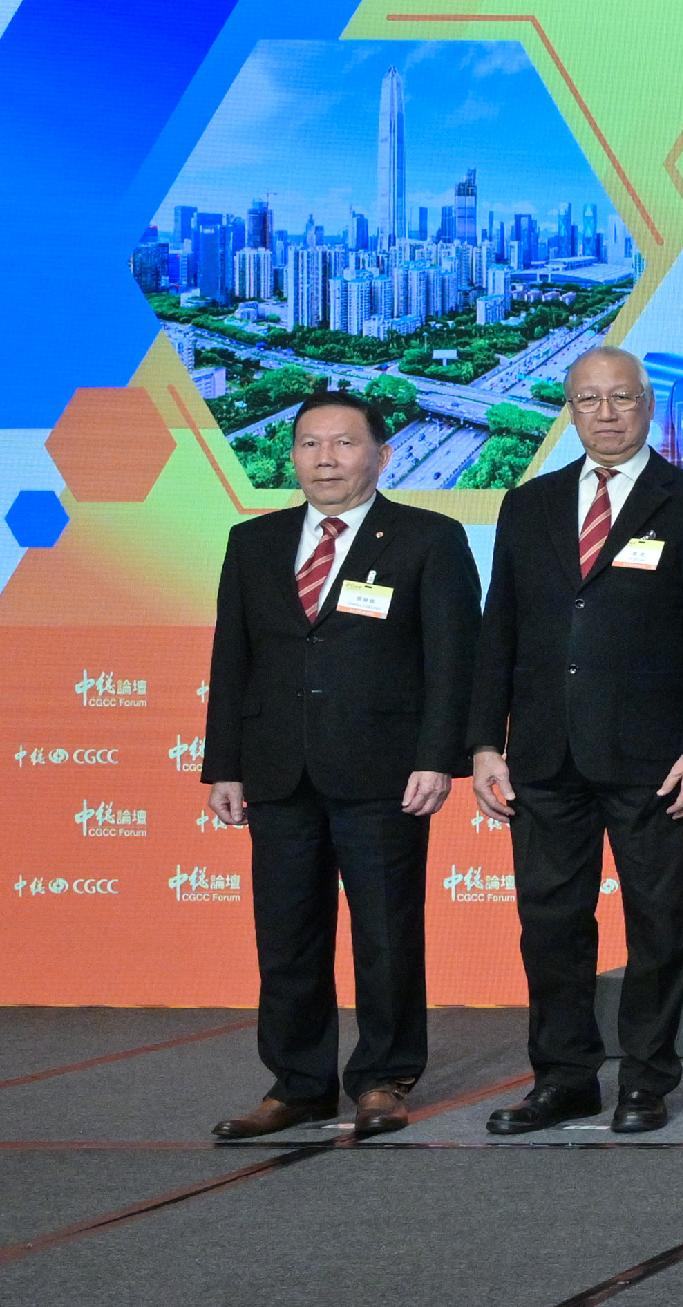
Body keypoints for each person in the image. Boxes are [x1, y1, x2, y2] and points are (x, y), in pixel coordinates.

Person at [468, 346, 683, 1136]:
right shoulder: (530, 504)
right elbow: (499, 627)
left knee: (658, 921)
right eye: (589, 399)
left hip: (655, 757)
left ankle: (646, 1079)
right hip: (544, 752)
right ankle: (563, 1077)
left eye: (622, 397)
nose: (607, 413)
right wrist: (484, 742)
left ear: (648, 405)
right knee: (551, 922)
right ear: (571, 410)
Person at [205, 392, 477, 1141]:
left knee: (386, 933)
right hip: (277, 770)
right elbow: (232, 657)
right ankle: (297, 1084)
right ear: (292, 455)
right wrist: (224, 764)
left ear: (382, 455)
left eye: (344, 443)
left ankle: (384, 1078)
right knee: (286, 936)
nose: (325, 459)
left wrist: (438, 758)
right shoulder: (253, 541)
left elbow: (453, 660)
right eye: (309, 444)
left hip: (384, 770)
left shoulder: (429, 538)